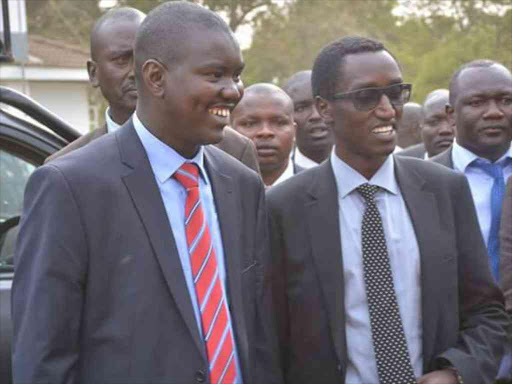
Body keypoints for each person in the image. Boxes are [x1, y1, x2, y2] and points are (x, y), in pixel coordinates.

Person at [12, 2, 282, 383]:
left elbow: (257, 333)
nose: (234, 91)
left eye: (237, 75)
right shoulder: (69, 186)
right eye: (215, 75)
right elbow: (44, 357)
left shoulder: (241, 183)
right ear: (155, 77)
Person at [267, 36, 508, 384]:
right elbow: (269, 334)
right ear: (323, 108)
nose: (387, 109)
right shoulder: (284, 207)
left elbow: (486, 312)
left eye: (395, 93)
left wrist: (456, 373)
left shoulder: (446, 190)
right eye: (366, 97)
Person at [45, 7, 260, 175]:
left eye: (145, 57)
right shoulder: (65, 170)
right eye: (122, 60)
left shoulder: (235, 151)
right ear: (93, 72)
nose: (135, 72)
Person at [431, 60, 512, 283]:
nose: (494, 113)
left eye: (506, 100)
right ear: (451, 115)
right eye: (477, 103)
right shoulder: (422, 181)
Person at [230, 83, 300, 187]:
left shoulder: (321, 186)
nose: (265, 132)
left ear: (294, 131)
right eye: (250, 124)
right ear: (229, 131)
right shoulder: (212, 187)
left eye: (279, 123)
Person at [282, 70, 334, 169]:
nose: (316, 115)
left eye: (323, 105)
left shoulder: (367, 170)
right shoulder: (276, 178)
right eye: (300, 108)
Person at [399, 89, 455, 159]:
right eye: (434, 122)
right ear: (420, 127)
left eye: (453, 120)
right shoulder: (399, 165)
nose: (445, 130)